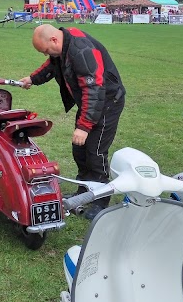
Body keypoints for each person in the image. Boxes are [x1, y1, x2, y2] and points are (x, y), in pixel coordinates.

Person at [19, 25, 125, 219]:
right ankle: (84, 192)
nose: (46, 55)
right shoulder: (63, 45)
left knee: (95, 150)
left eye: (45, 51)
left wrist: (84, 127)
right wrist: (32, 79)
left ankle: (100, 201)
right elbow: (52, 65)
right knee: (79, 150)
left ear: (53, 40)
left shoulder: (81, 50)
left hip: (107, 101)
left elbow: (94, 90)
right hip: (92, 101)